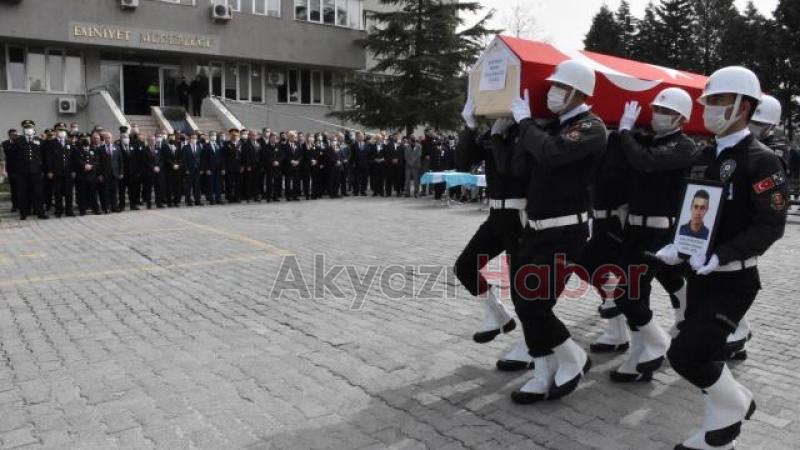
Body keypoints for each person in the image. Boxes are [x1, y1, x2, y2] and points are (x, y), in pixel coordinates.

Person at [655, 66, 787, 450]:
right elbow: (692, 212)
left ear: (744, 107)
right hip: (701, 275)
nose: (710, 108)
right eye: (707, 101)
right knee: (709, 355)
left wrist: (723, 255)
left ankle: (738, 403)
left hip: (734, 279)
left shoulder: (761, 160)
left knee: (685, 355)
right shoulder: (703, 155)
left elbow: (770, 226)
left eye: (718, 101)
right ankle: (719, 437)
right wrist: (677, 244)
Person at [508, 60, 604, 404]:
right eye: (550, 87)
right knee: (524, 302)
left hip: (566, 232)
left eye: (558, 87)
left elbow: (552, 155)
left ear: (578, 92)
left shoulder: (591, 127)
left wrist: (526, 124)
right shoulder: (548, 127)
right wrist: (512, 130)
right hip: (535, 230)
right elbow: (519, 169)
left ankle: (574, 357)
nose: (552, 93)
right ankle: (542, 371)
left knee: (534, 303)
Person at [608, 88, 699, 383]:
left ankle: (659, 343)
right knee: (637, 293)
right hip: (634, 228)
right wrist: (621, 132)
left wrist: (625, 131)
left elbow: (645, 161)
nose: (660, 115)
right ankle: (638, 354)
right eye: (658, 109)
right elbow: (625, 162)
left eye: (668, 112)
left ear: (682, 119)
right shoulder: (645, 139)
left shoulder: (683, 146)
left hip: (661, 232)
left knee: (626, 292)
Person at [456, 96, 533, 371]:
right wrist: (469, 126)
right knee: (465, 266)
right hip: (496, 215)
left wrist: (499, 137)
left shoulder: (527, 130)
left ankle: (531, 343)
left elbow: (510, 170)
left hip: (519, 215)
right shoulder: (495, 131)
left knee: (521, 286)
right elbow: (464, 161)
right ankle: (498, 316)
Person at [724, 94, 791, 362]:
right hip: (740, 221)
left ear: (770, 126)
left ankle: (736, 333)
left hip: (756, 223)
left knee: (739, 277)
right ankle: (738, 334)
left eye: (759, 124)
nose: (753, 127)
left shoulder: (773, 150)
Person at [13, 120, 48, 220]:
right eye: (26, 128)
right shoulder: (18, 140)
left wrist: (43, 169)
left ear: (33, 129)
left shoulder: (39, 140)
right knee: (23, 193)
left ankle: (40, 212)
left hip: (36, 171)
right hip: (22, 172)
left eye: (30, 128)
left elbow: (43, 156)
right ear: (23, 129)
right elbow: (14, 156)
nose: (28, 129)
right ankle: (23, 213)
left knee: (38, 193)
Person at [44, 123, 74, 217]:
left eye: (63, 131)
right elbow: (48, 158)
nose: (61, 132)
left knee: (69, 193)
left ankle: (69, 210)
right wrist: (49, 171)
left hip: (68, 172)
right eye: (59, 130)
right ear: (56, 132)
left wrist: (73, 170)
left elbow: (73, 158)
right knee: (58, 193)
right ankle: (59, 210)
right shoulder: (51, 143)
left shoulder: (69, 142)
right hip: (56, 172)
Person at [73, 133, 100, 216]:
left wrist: (91, 166)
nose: (86, 140)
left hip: (92, 175)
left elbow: (97, 160)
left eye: (87, 138)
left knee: (93, 193)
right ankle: (82, 210)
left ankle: (95, 209)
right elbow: (76, 160)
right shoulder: (77, 150)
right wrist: (84, 165)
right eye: (84, 138)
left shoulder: (94, 149)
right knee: (82, 194)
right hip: (82, 175)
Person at [97, 131, 124, 213]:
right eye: (106, 138)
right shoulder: (100, 149)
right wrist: (99, 174)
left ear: (112, 139)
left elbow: (120, 161)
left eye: (109, 138)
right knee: (106, 191)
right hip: (105, 173)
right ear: (104, 139)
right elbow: (98, 162)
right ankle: (106, 207)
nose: (108, 139)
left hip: (115, 173)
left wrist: (121, 172)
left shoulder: (117, 147)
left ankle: (114, 206)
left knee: (114, 191)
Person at [200, 131, 224, 205]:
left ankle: (218, 198)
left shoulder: (218, 145)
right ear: (209, 136)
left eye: (215, 135)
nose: (214, 136)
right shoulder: (206, 146)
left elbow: (222, 157)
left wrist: (223, 168)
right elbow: (204, 159)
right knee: (210, 184)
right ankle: (211, 199)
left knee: (218, 184)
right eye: (212, 135)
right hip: (210, 168)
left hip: (218, 168)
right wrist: (206, 169)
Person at [181, 131, 203, 206]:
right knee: (188, 185)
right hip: (189, 169)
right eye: (193, 138)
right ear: (189, 138)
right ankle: (188, 200)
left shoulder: (199, 147)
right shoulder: (185, 147)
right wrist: (186, 169)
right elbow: (184, 160)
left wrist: (201, 169)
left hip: (197, 169)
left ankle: (198, 200)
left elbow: (200, 158)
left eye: (195, 138)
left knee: (197, 185)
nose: (194, 139)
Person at [162, 134, 182, 207]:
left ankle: (176, 201)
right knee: (169, 186)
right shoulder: (164, 147)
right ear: (168, 139)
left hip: (177, 170)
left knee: (176, 186)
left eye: (173, 138)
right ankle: (169, 202)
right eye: (171, 138)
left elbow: (180, 157)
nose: (172, 140)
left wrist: (178, 164)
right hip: (168, 169)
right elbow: (165, 158)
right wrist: (172, 164)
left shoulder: (177, 147)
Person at [282, 131, 303, 201]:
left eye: (294, 136)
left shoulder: (298, 144)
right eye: (291, 136)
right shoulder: (285, 145)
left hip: (297, 165)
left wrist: (298, 161)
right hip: (288, 166)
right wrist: (291, 161)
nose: (293, 138)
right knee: (288, 181)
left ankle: (295, 195)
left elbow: (301, 154)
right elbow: (284, 155)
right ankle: (288, 196)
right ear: (289, 137)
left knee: (296, 181)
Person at [2, 129, 19, 213]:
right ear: (9, 135)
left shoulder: (20, 143)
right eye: (12, 134)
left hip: (20, 169)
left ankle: (21, 205)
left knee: (21, 188)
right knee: (14, 188)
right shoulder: (5, 144)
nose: (14, 136)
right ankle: (15, 206)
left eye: (16, 134)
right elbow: (3, 157)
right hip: (11, 169)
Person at [264, 133, 284, 202]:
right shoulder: (266, 146)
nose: (274, 139)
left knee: (277, 182)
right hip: (270, 167)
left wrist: (278, 161)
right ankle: (268, 197)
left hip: (277, 167)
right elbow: (266, 156)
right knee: (269, 182)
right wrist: (272, 162)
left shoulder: (279, 146)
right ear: (270, 139)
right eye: (272, 138)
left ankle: (275, 196)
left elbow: (282, 155)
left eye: (275, 138)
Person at [352, 132, 371, 196]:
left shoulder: (367, 145)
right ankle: (356, 191)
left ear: (364, 138)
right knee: (356, 179)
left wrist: (368, 164)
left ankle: (363, 191)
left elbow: (369, 156)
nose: (360, 137)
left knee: (364, 179)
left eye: (362, 136)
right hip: (356, 165)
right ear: (357, 137)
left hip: (365, 165)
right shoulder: (354, 145)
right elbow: (352, 155)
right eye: (359, 136)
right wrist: (353, 163)